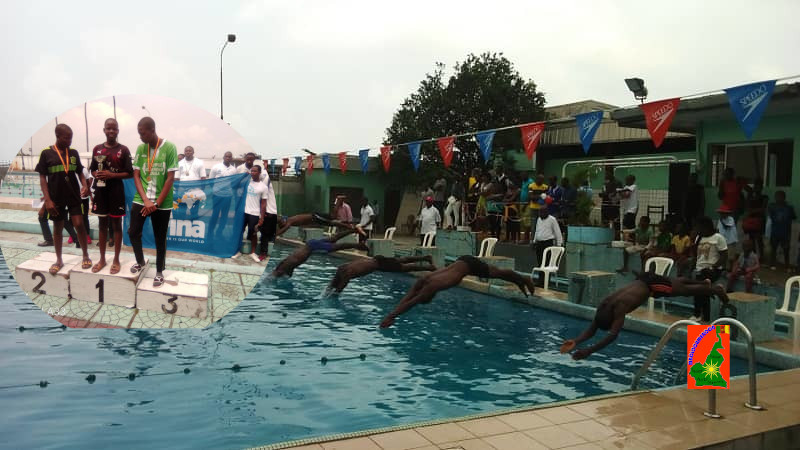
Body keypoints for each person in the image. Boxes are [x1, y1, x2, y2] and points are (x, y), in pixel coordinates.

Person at [560, 272, 730, 360]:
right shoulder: (605, 305)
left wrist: (590, 351)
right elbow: (592, 329)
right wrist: (576, 341)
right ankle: (704, 283)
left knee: (683, 291)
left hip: (651, 286)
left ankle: (714, 290)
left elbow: (612, 336)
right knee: (675, 282)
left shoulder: (619, 308)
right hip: (644, 280)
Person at [379, 255, 537, 328]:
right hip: (463, 261)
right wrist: (392, 315)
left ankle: (524, 279)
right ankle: (521, 281)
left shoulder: (432, 287)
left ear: (429, 296)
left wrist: (391, 317)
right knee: (498, 273)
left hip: (469, 265)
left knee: (498, 273)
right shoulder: (426, 279)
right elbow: (409, 296)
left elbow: (412, 302)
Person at [128, 117, 178, 287]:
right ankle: (141, 262)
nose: (140, 137)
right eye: (139, 134)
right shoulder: (141, 148)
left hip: (161, 203)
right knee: (133, 232)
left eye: (142, 133)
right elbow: (136, 175)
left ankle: (159, 271)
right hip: (142, 199)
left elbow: (170, 179)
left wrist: (155, 204)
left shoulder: (169, 147)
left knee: (160, 237)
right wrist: (145, 201)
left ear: (152, 130)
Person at [36, 124, 92, 274]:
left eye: (71, 138)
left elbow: (80, 171)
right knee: (58, 228)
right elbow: (42, 177)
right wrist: (47, 200)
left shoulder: (73, 153)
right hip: (56, 198)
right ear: (58, 136)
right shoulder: (46, 153)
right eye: (66, 138)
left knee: (79, 224)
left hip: (73, 195)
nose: (69, 141)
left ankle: (85, 255)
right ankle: (59, 259)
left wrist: (85, 185)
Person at [89, 118, 133, 274]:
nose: (111, 131)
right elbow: (92, 170)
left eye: (114, 129)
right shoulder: (97, 150)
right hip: (101, 192)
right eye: (109, 129)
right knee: (102, 224)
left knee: (116, 225)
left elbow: (130, 173)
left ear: (118, 131)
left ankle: (116, 259)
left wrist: (111, 175)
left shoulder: (124, 150)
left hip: (116, 192)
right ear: (104, 130)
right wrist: (98, 174)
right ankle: (102, 259)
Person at [271, 229, 367, 278]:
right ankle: (354, 230)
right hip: (310, 244)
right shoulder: (286, 263)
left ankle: (358, 245)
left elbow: (286, 270)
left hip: (313, 247)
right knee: (333, 239)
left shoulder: (285, 267)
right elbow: (288, 268)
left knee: (338, 246)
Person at [328, 255, 437, 293]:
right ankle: (426, 258)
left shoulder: (346, 274)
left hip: (379, 265)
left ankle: (429, 267)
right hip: (376, 259)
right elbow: (333, 284)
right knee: (401, 260)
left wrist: (329, 297)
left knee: (405, 268)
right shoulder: (342, 268)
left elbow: (338, 291)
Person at [691, 216, 728, 322]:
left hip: (713, 269)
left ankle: (698, 314)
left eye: (699, 227)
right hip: (700, 269)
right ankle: (704, 316)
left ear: (705, 226)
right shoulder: (699, 238)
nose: (697, 229)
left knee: (700, 286)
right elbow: (696, 255)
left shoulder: (718, 238)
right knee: (701, 288)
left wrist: (713, 267)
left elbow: (724, 256)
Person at [231, 165, 268, 262]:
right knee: (239, 231)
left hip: (254, 213)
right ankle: (237, 251)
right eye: (251, 171)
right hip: (243, 212)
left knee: (253, 233)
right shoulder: (246, 182)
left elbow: (263, 203)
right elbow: (234, 185)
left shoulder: (263, 187)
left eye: (255, 171)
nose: (252, 173)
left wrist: (262, 217)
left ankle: (252, 252)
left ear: (259, 172)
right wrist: (243, 176)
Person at [208, 151, 238, 241]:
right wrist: (216, 189)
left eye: (229, 157)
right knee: (215, 215)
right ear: (223, 157)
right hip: (217, 195)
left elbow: (235, 182)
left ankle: (219, 233)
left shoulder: (234, 169)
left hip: (228, 196)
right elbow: (210, 181)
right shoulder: (216, 167)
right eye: (226, 156)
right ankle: (210, 233)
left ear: (231, 158)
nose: (228, 158)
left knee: (224, 216)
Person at [768, 190, 796, 270]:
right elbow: (770, 215)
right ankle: (772, 264)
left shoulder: (789, 208)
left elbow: (793, 217)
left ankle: (787, 266)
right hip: (775, 231)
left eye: (780, 196)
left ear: (784, 197)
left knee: (786, 250)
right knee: (773, 249)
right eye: (777, 196)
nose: (778, 198)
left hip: (785, 232)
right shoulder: (772, 206)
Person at [532, 202, 563, 275]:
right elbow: (537, 230)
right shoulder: (539, 219)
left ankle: (545, 281)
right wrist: (534, 241)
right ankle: (540, 281)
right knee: (540, 263)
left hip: (547, 243)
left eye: (542, 212)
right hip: (539, 243)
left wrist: (559, 245)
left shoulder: (552, 219)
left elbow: (557, 232)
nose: (541, 214)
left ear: (547, 212)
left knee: (546, 263)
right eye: (540, 212)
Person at [742, 179, 767, 257]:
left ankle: (761, 256)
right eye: (756, 186)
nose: (757, 188)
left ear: (761, 188)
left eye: (759, 187)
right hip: (751, 220)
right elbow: (746, 206)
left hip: (759, 219)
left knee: (759, 239)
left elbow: (763, 209)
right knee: (751, 239)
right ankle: (754, 256)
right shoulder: (750, 196)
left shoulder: (764, 197)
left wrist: (752, 211)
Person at [274, 212, 356, 237]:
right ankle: (349, 225)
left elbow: (282, 230)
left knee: (332, 219)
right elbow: (281, 229)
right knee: (332, 222)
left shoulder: (289, 221)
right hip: (314, 220)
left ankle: (338, 200)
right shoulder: (288, 221)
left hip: (314, 217)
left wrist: (274, 235)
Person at [259, 167, 278, 260]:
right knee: (265, 234)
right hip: (269, 211)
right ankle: (263, 252)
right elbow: (262, 196)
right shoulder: (266, 178)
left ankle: (266, 252)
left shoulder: (268, 179)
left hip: (273, 212)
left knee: (270, 234)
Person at [717, 206, 739, 271]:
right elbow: (718, 230)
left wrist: (721, 220)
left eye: (723, 213)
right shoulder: (720, 220)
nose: (721, 214)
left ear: (727, 213)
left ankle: (731, 269)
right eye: (721, 213)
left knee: (731, 257)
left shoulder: (730, 219)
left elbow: (726, 226)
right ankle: (724, 268)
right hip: (723, 240)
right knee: (723, 255)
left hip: (730, 240)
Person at [527, 173, 548, 241]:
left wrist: (536, 196)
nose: (541, 181)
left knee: (541, 226)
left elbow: (545, 198)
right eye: (540, 179)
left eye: (542, 180)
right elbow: (531, 197)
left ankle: (540, 240)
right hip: (533, 208)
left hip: (542, 209)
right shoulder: (531, 186)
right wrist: (540, 196)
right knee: (533, 226)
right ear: (537, 179)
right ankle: (532, 240)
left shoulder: (545, 187)